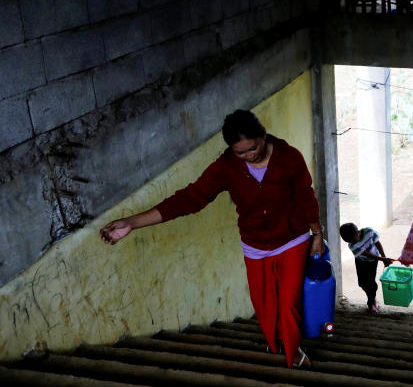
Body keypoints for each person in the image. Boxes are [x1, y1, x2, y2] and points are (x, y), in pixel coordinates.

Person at [99, 109, 324, 369]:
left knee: (288, 304)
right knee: (263, 305)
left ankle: (293, 353)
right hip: (255, 244)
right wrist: (132, 222)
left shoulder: (289, 158)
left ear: (263, 135)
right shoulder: (226, 167)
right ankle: (275, 343)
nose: (249, 155)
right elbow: (191, 198)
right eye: (241, 153)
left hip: (291, 239)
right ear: (231, 150)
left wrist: (316, 234)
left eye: (253, 148)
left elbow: (306, 196)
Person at [339, 222, 392, 313]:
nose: (350, 242)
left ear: (358, 232)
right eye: (347, 241)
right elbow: (366, 254)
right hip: (361, 262)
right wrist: (382, 259)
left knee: (370, 282)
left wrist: (384, 257)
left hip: (372, 262)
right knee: (362, 283)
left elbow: (378, 243)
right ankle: (372, 296)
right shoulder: (352, 245)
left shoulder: (369, 232)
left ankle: (371, 302)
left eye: (352, 239)